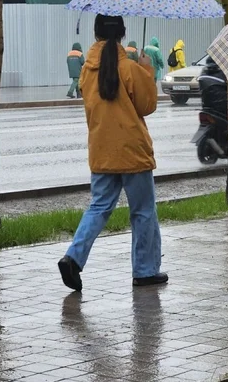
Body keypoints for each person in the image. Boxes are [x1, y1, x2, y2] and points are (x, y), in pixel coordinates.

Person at [58, 14, 168, 292]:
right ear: (122, 34)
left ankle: (73, 257)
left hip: (101, 150)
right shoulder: (129, 69)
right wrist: (147, 72)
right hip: (133, 151)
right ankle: (144, 271)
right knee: (143, 211)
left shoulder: (86, 71)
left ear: (95, 34)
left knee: (99, 207)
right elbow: (146, 106)